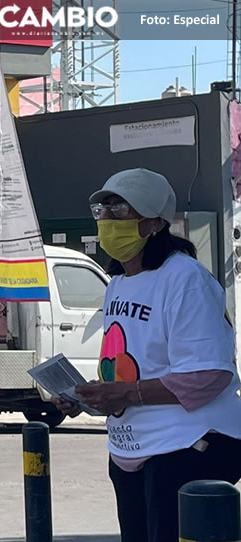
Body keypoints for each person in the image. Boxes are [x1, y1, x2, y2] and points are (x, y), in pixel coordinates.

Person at [53, 168, 241, 542]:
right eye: (102, 210)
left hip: (189, 444)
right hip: (131, 446)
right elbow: (130, 367)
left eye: (120, 209)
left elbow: (208, 375)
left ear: (155, 222)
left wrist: (126, 393)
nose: (107, 220)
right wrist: (89, 397)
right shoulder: (117, 284)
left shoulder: (186, 279)